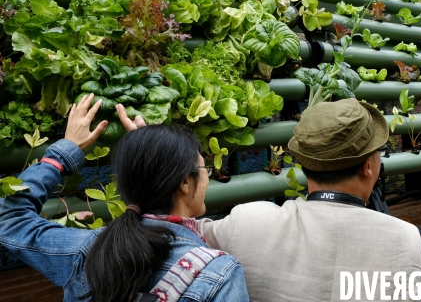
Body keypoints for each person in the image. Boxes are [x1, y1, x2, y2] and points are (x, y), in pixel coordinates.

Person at [198, 98, 421, 302]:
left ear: (304, 163)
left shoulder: (245, 224)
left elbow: (172, 228)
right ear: (368, 167)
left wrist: (196, 172)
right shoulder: (420, 247)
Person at [0, 94, 250, 302]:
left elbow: (9, 219)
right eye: (203, 169)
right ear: (185, 182)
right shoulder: (218, 273)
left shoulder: (86, 251)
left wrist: (64, 153)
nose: (207, 179)